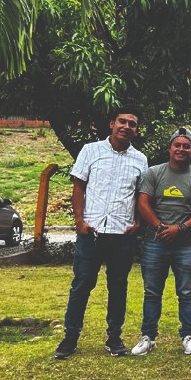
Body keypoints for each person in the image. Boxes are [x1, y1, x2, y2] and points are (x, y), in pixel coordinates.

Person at [54, 107, 147, 359]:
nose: (127, 127)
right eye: (122, 121)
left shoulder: (140, 159)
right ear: (111, 124)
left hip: (122, 233)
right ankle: (70, 339)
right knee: (81, 286)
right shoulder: (90, 151)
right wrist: (80, 221)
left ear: (136, 130)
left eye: (132, 124)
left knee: (118, 287)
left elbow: (141, 195)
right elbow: (78, 187)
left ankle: (114, 338)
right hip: (91, 232)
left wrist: (138, 222)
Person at [131, 128, 191, 356]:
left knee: (187, 292)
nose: (181, 149)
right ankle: (148, 337)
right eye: (178, 145)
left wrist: (180, 228)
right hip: (155, 242)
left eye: (186, 146)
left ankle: (188, 335)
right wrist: (159, 227)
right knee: (152, 292)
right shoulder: (153, 173)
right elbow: (143, 203)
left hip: (186, 244)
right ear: (170, 148)